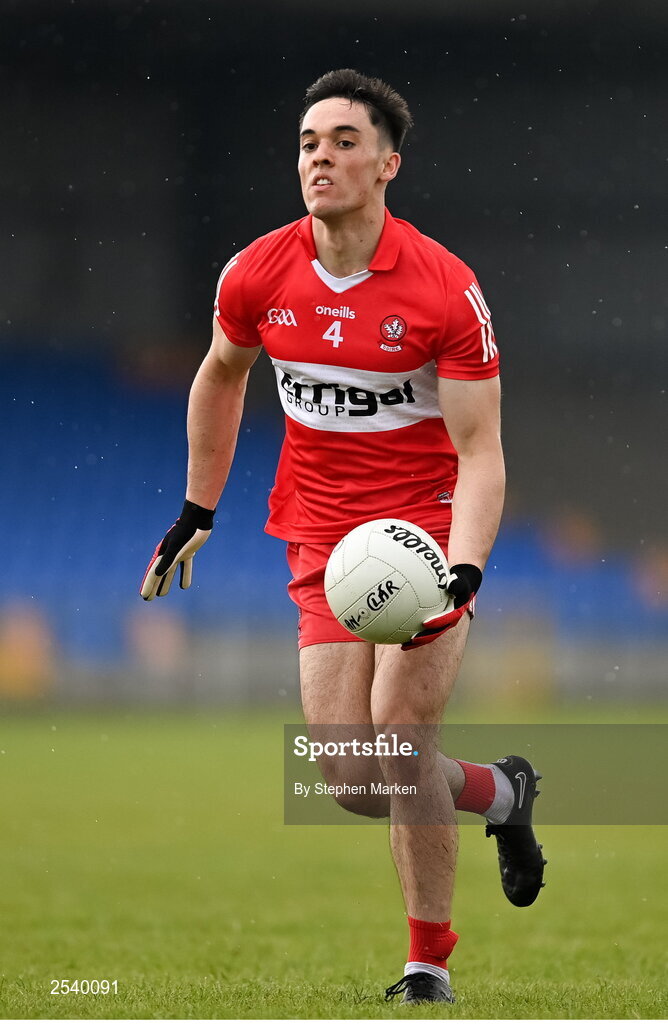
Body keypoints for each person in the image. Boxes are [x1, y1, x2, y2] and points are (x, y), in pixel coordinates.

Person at [140, 68, 546, 1005]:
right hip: (324, 539)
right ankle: (503, 794)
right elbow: (219, 374)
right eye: (308, 142)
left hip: (427, 534)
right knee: (353, 777)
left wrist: (466, 567)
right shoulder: (256, 272)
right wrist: (199, 509)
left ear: (388, 165)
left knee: (402, 739)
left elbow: (482, 451)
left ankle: (426, 963)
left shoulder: (447, 291)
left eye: (344, 141)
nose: (320, 156)